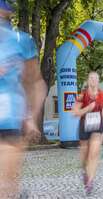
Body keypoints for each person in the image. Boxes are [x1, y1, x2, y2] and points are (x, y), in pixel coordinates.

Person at [0, 1, 47, 198]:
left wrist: (30, 117)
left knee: (4, 184)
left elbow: (36, 83)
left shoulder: (21, 40)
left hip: (8, 124)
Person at [72, 71, 103, 195]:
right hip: (84, 126)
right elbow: (75, 112)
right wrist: (88, 108)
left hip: (97, 126)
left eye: (95, 78)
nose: (93, 80)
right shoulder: (82, 95)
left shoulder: (102, 95)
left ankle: (90, 181)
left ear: (98, 81)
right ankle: (85, 173)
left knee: (94, 153)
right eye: (90, 78)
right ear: (88, 81)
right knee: (84, 157)